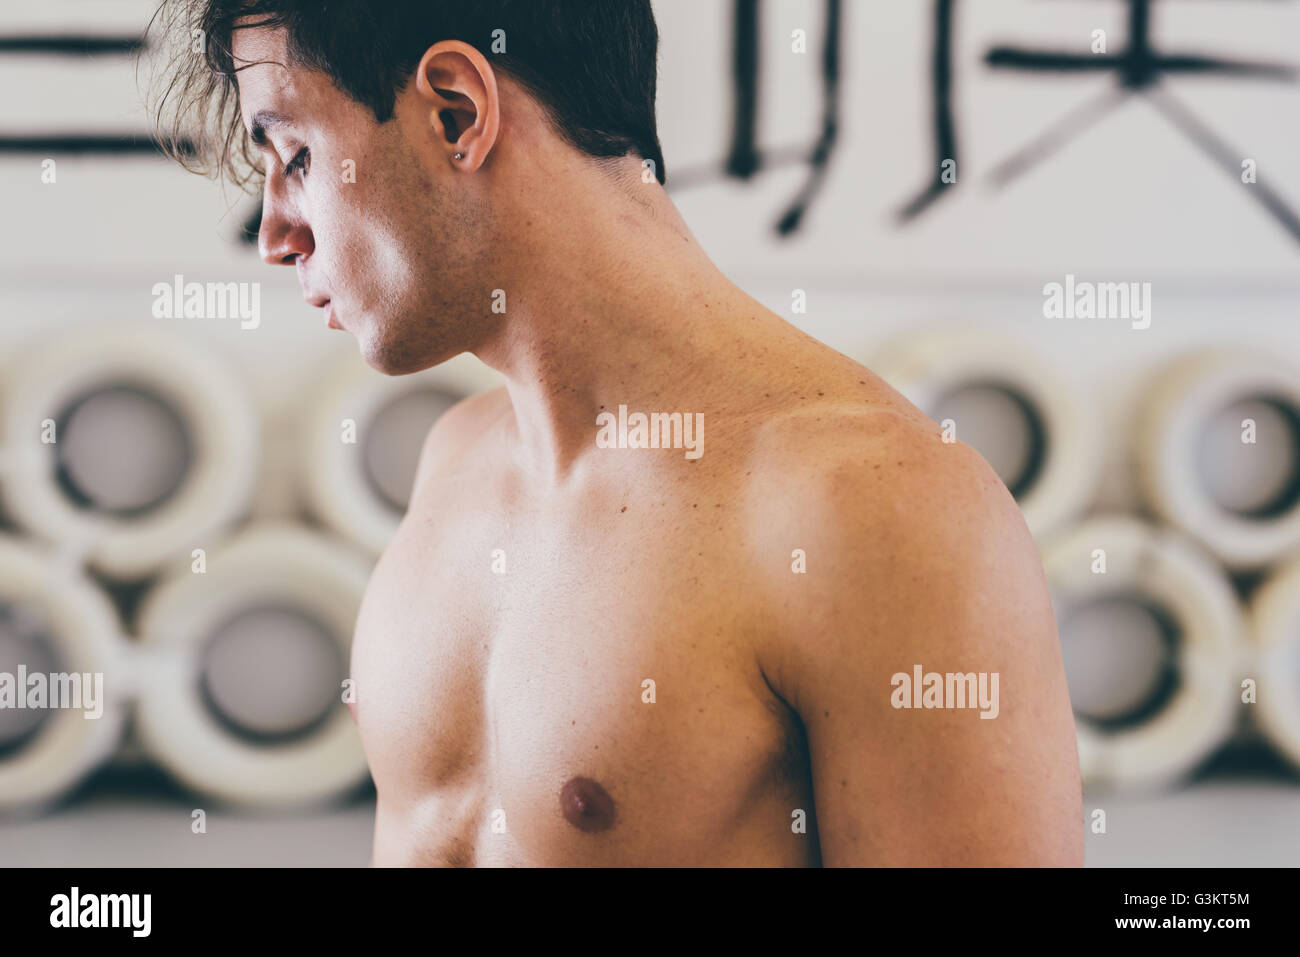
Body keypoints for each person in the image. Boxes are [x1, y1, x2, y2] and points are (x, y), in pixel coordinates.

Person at [151, 0, 1083, 866]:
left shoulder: (880, 508)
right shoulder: (457, 465)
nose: (276, 233)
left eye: (298, 156)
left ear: (453, 111)